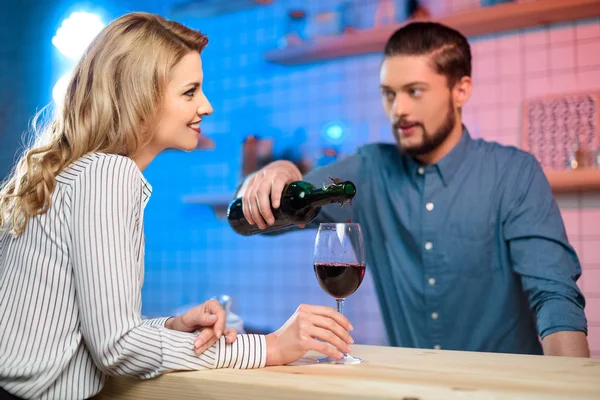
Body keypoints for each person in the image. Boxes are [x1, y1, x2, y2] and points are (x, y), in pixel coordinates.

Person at [0, 12, 354, 400]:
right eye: (190, 92)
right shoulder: (108, 173)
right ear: (141, 98)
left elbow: (88, 332)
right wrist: (270, 347)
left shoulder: (79, 171)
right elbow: (117, 350)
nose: (206, 106)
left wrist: (172, 326)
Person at [237, 22, 590, 358]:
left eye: (414, 92)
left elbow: (554, 295)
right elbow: (258, 219)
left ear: (460, 90)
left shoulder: (515, 173)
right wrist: (281, 170)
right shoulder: (368, 170)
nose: (399, 111)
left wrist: (570, 386)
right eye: (388, 94)